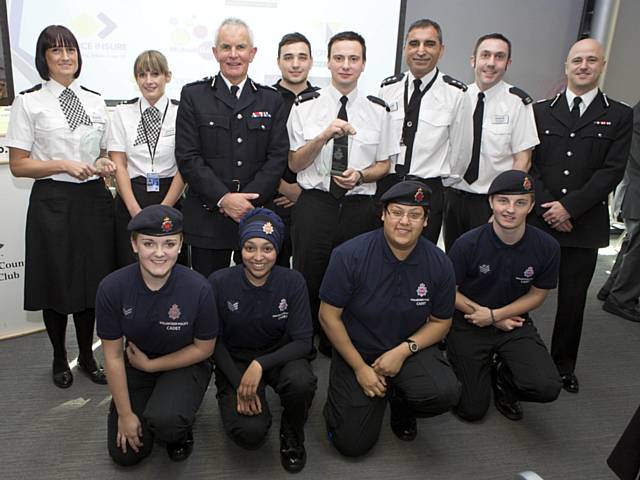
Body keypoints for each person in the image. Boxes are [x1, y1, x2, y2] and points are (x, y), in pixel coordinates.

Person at [6, 25, 115, 388]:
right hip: (53, 200)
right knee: (56, 282)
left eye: (71, 50)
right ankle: (58, 356)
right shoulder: (29, 101)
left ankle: (86, 354)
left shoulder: (97, 100)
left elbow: (100, 151)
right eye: (56, 51)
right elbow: (20, 164)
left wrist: (104, 164)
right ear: (44, 58)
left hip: (94, 201)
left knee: (91, 282)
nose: (65, 57)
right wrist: (62, 165)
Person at [318, 181, 461, 457]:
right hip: (358, 351)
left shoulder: (439, 263)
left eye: (415, 215)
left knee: (445, 392)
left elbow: (441, 322)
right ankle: (355, 391)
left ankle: (400, 398)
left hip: (408, 348)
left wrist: (403, 351)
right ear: (383, 214)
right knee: (351, 444)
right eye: (397, 212)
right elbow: (328, 316)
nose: (405, 222)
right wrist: (360, 368)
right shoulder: (349, 256)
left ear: (426, 221)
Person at [528, 38, 633, 394]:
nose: (583, 66)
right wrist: (550, 208)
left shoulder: (618, 114)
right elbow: (531, 167)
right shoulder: (540, 110)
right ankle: (514, 357)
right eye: (577, 60)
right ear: (566, 66)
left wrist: (569, 208)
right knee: (520, 292)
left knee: (572, 303)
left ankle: (562, 365)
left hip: (583, 224)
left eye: (591, 60)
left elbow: (612, 171)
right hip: (539, 221)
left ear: (602, 64)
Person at [288, 31, 397, 354]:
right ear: (329, 62)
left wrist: (361, 174)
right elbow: (295, 163)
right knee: (308, 274)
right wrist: (323, 136)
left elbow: (384, 165)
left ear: (363, 64)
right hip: (316, 204)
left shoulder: (379, 109)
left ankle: (341, 344)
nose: (346, 66)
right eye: (339, 58)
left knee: (355, 278)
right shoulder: (305, 105)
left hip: (359, 206)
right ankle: (304, 342)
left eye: (353, 59)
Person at [96, 205, 218, 465]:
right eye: (149, 243)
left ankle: (178, 422)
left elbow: (204, 349)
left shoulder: (199, 288)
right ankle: (145, 408)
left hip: (186, 363)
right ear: (134, 244)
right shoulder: (112, 288)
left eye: (169, 243)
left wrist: (152, 366)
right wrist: (126, 414)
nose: (160, 253)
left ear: (181, 244)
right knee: (126, 455)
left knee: (168, 423)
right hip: (137, 362)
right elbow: (114, 356)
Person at [176, 17, 288, 277]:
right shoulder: (194, 95)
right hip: (208, 218)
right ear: (215, 53)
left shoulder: (271, 99)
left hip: (256, 217)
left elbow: (277, 157)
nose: (233, 55)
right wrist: (224, 199)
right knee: (205, 295)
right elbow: (188, 156)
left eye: (240, 47)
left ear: (253, 53)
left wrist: (246, 203)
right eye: (226, 47)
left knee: (254, 298)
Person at [447, 170, 562, 422]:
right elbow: (449, 293)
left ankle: (503, 379)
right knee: (472, 410)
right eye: (503, 201)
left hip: (513, 322)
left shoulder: (547, 247)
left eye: (520, 203)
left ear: (531, 206)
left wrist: (496, 316)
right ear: (491, 202)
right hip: (469, 321)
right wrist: (488, 317)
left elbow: (537, 294)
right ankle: (472, 366)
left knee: (547, 386)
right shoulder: (467, 244)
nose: (510, 210)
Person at [209, 208, 316, 473]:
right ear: (240, 249)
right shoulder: (219, 282)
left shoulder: (293, 281)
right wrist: (239, 383)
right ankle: (242, 401)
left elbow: (303, 341)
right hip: (234, 361)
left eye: (267, 249)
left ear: (277, 251)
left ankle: (292, 432)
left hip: (279, 355)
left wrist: (260, 364)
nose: (258, 257)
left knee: (301, 381)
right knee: (250, 434)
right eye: (250, 248)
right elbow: (213, 342)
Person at [378, 18, 472, 244]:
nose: (420, 51)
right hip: (389, 185)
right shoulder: (388, 88)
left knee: (422, 259)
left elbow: (461, 152)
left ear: (441, 50)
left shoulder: (456, 93)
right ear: (404, 50)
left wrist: (440, 185)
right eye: (414, 44)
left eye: (429, 44)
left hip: (427, 189)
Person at [443, 33, 539, 251]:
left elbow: (523, 160)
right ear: (473, 60)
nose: (491, 63)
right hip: (454, 197)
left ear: (508, 63)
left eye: (499, 57)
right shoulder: (457, 97)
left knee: (487, 266)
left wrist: (505, 206)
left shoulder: (517, 102)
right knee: (453, 260)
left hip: (491, 202)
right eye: (485, 55)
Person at [109, 50, 186, 268]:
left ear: (167, 76)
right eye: (142, 75)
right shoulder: (123, 112)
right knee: (129, 265)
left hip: (170, 195)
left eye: (155, 74)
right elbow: (119, 164)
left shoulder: (181, 112)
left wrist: (164, 209)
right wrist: (135, 210)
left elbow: (185, 165)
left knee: (169, 265)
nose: (149, 81)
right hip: (131, 197)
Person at [268, 32, 319, 267]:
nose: (295, 64)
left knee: (309, 274)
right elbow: (252, 153)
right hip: (271, 201)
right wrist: (283, 186)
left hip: (313, 202)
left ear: (311, 61)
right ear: (278, 61)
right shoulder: (263, 99)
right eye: (288, 57)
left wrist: (302, 190)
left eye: (302, 57)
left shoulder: (324, 101)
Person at [599, 100, 640, 322]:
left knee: (633, 245)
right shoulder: (636, 117)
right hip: (637, 193)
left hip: (634, 193)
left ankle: (611, 288)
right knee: (637, 250)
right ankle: (622, 298)